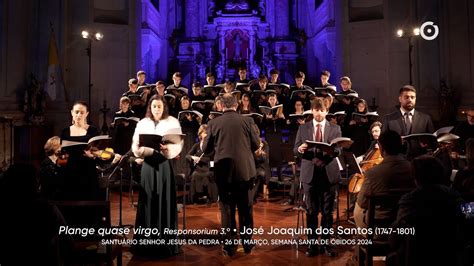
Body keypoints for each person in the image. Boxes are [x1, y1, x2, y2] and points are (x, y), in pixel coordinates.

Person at [202, 93, 260, 256]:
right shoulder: (247, 121)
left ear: (221, 106)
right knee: (245, 208)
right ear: (237, 105)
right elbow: (256, 146)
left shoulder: (213, 123)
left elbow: (205, 150)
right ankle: (247, 244)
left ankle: (229, 246)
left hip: (224, 173)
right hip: (245, 172)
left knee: (227, 209)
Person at [131, 94, 183, 257]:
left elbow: (178, 143)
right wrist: (139, 149)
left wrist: (169, 150)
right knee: (147, 201)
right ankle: (146, 244)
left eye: (159, 106)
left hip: (163, 164)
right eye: (154, 106)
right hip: (148, 165)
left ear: (164, 107)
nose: (157, 109)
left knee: (165, 201)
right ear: (150, 108)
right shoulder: (142, 123)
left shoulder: (172, 122)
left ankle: (166, 243)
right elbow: (135, 144)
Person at [388, 155, 463, 266]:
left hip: (417, 257)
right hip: (449, 256)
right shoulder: (455, 196)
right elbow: (468, 221)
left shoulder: (409, 201)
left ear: (415, 177)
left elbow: (396, 238)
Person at [294, 97, 341, 257]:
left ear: (327, 111)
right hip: (310, 174)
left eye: (322, 110)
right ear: (312, 111)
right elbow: (296, 149)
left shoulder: (335, 128)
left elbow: (338, 151)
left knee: (328, 213)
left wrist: (332, 152)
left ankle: (327, 244)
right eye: (316, 110)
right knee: (311, 211)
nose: (319, 113)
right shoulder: (303, 128)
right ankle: (313, 245)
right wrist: (300, 149)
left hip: (328, 173)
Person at [354, 130, 415, 229]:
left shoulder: (372, 173)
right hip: (407, 225)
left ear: (381, 147)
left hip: (380, 227)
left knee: (357, 211)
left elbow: (361, 203)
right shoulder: (413, 169)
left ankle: (364, 240)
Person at [60, 101, 101, 200]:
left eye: (82, 112)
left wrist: (93, 155)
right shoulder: (65, 131)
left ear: (87, 114)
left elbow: (97, 151)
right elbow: (62, 152)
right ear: (72, 113)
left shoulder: (93, 131)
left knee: (89, 199)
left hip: (88, 169)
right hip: (70, 169)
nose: (79, 115)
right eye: (76, 112)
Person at [382, 85, 434, 159]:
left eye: (412, 97)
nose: (410, 100)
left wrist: (427, 144)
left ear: (415, 99)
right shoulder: (389, 119)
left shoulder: (426, 118)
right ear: (400, 99)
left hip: (420, 162)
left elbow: (432, 142)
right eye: (406, 97)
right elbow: (383, 142)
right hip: (397, 162)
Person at [186, 125, 217, 204]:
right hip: (198, 169)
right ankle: (195, 198)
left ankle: (210, 198)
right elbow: (187, 156)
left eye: (207, 133)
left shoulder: (212, 146)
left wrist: (201, 159)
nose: (206, 135)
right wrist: (193, 158)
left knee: (208, 175)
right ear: (200, 134)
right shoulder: (196, 145)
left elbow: (213, 160)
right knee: (195, 175)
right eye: (204, 133)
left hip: (209, 168)